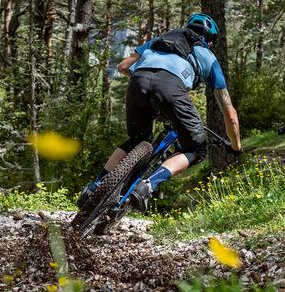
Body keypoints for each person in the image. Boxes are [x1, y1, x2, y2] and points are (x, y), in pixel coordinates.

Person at [77, 12, 242, 211]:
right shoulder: (208, 56)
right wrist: (236, 147)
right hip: (172, 90)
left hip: (138, 81)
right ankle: (147, 186)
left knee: (136, 139)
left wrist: (144, 81)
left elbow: (122, 67)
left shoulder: (160, 40)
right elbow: (230, 114)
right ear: (210, 41)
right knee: (195, 149)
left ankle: (95, 186)